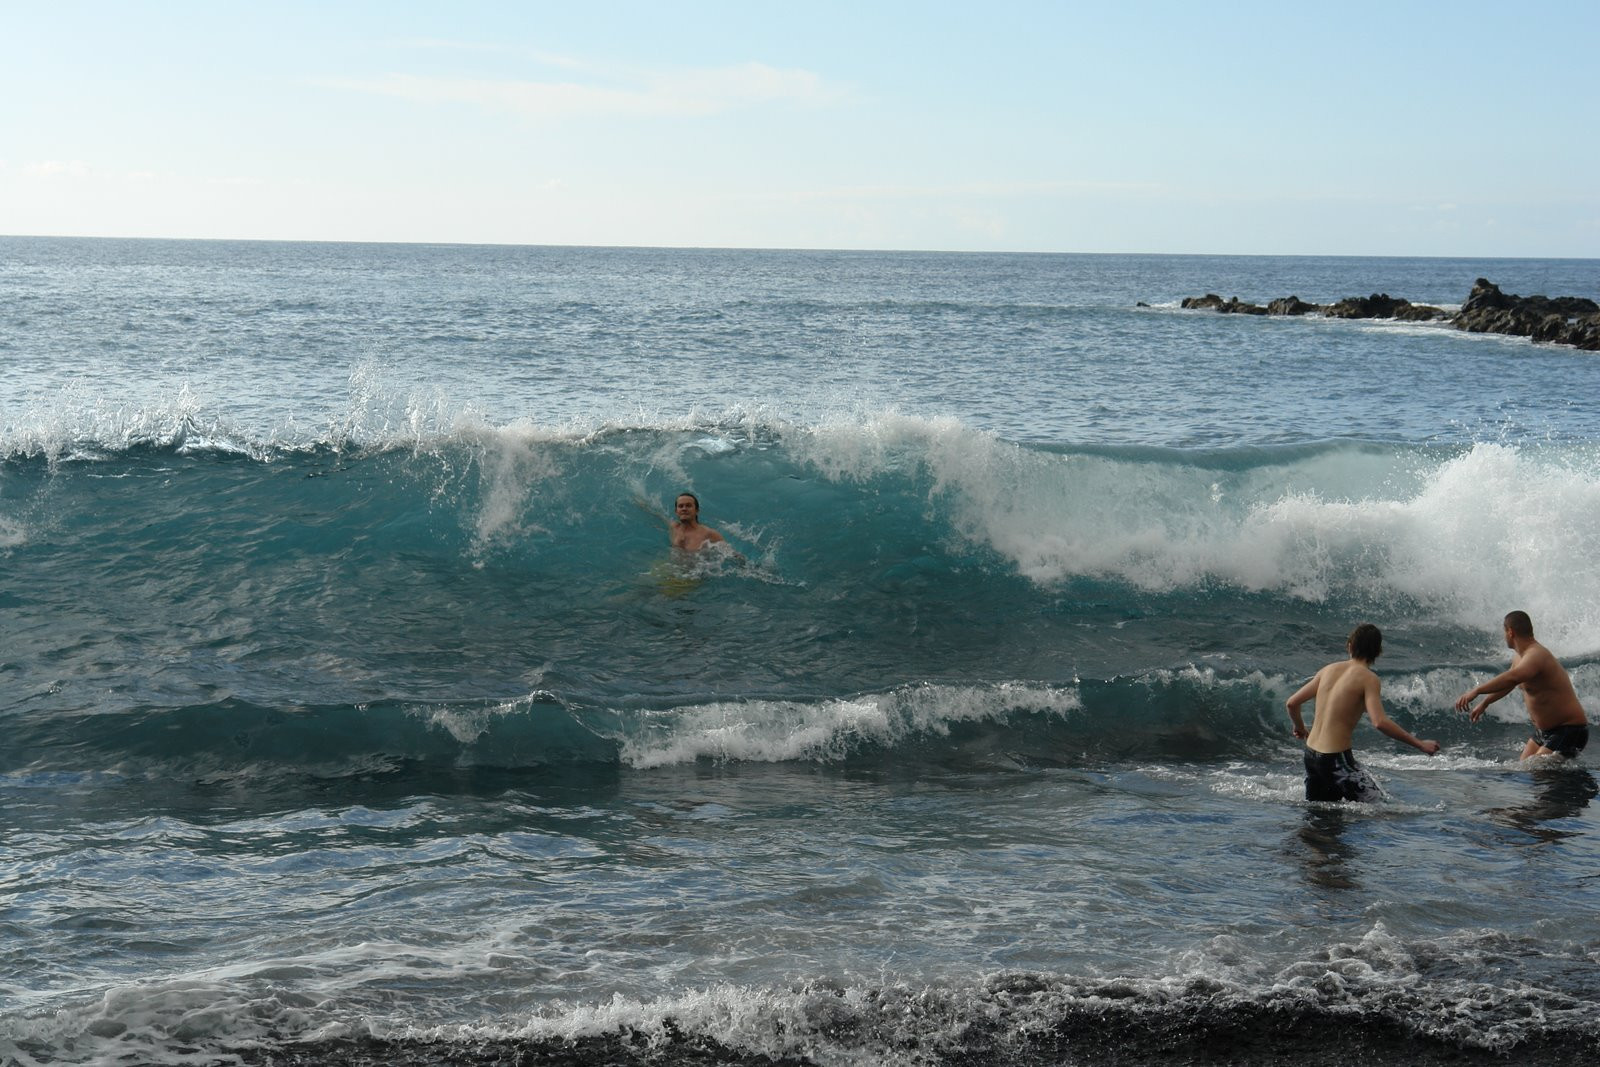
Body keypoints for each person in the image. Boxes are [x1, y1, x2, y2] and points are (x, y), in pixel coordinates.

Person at [1286, 623, 1440, 802]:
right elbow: (1379, 722)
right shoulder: (1369, 679)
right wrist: (1420, 744)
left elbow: (1292, 703)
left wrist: (1300, 728)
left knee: (1322, 819)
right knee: (1382, 809)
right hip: (1336, 760)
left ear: (1349, 645)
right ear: (1378, 652)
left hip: (1311, 756)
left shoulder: (1328, 670)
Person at [1454, 610, 1589, 760]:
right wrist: (1486, 702)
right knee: (1524, 770)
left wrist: (1477, 690)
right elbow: (1509, 683)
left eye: (1504, 632)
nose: (1504, 636)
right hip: (1544, 732)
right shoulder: (1520, 657)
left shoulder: (1536, 655)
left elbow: (1512, 677)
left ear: (1510, 632)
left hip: (1568, 729)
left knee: (1538, 770)